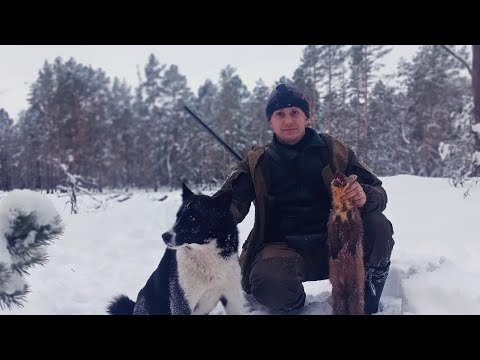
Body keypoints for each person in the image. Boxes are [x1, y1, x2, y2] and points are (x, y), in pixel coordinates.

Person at [215, 83, 395, 314]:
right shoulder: (256, 163)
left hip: (339, 242)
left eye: (295, 113)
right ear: (270, 121)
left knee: (378, 225)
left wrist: (365, 196)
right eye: (279, 114)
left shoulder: (335, 151)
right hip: (284, 247)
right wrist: (207, 217)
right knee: (270, 284)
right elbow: (229, 206)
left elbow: (378, 192)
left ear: (306, 117)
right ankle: (297, 306)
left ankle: (366, 302)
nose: (288, 120)